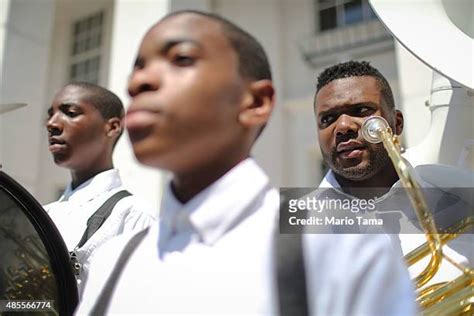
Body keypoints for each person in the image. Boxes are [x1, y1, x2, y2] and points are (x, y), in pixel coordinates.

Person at [77, 11, 415, 315]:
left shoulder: (340, 245)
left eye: (180, 58)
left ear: (255, 102)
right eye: (138, 67)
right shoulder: (109, 264)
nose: (138, 82)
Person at [314, 60, 473, 286]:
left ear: (396, 123)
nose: (342, 127)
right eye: (327, 119)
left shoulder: (459, 196)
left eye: (361, 110)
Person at [43, 82, 156, 294]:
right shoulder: (43, 213)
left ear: (112, 127)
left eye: (70, 113)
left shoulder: (132, 215)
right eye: (50, 115)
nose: (52, 124)